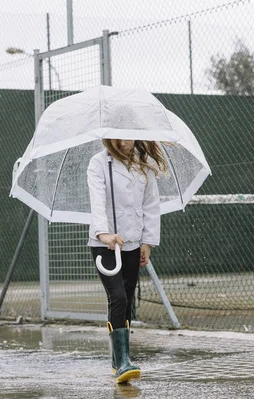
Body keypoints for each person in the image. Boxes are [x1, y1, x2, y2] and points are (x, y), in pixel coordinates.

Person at [87, 138, 167, 384]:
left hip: (133, 243)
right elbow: (97, 202)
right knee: (118, 297)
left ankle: (117, 360)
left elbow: (151, 204)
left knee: (127, 299)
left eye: (128, 135)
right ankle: (123, 361)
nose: (124, 142)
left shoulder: (144, 164)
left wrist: (148, 242)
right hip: (106, 244)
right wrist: (103, 233)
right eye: (118, 136)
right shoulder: (99, 163)